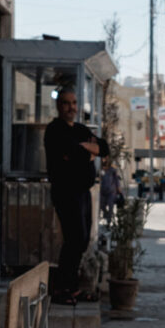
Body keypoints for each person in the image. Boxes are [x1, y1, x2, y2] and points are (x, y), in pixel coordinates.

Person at [43, 87, 107, 303]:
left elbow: (105, 148)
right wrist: (87, 151)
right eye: (66, 103)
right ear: (58, 106)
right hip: (65, 191)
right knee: (73, 239)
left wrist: (85, 149)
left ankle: (72, 287)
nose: (71, 107)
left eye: (73, 103)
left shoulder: (79, 129)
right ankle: (62, 290)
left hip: (83, 192)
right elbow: (73, 152)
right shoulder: (55, 130)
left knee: (82, 240)